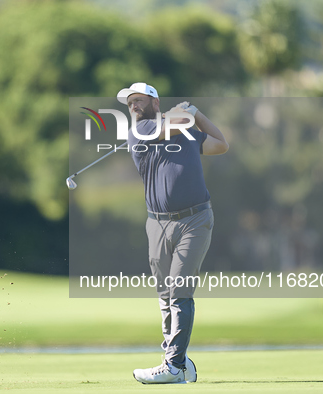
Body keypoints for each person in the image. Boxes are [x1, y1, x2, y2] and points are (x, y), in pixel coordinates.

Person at [116, 82, 229, 384]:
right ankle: (178, 360)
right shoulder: (139, 132)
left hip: (195, 219)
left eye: (139, 100)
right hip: (157, 224)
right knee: (165, 295)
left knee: (180, 290)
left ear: (155, 101)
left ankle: (174, 365)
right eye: (130, 103)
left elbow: (220, 143)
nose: (134, 106)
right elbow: (176, 123)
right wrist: (187, 111)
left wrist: (198, 113)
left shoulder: (187, 131)